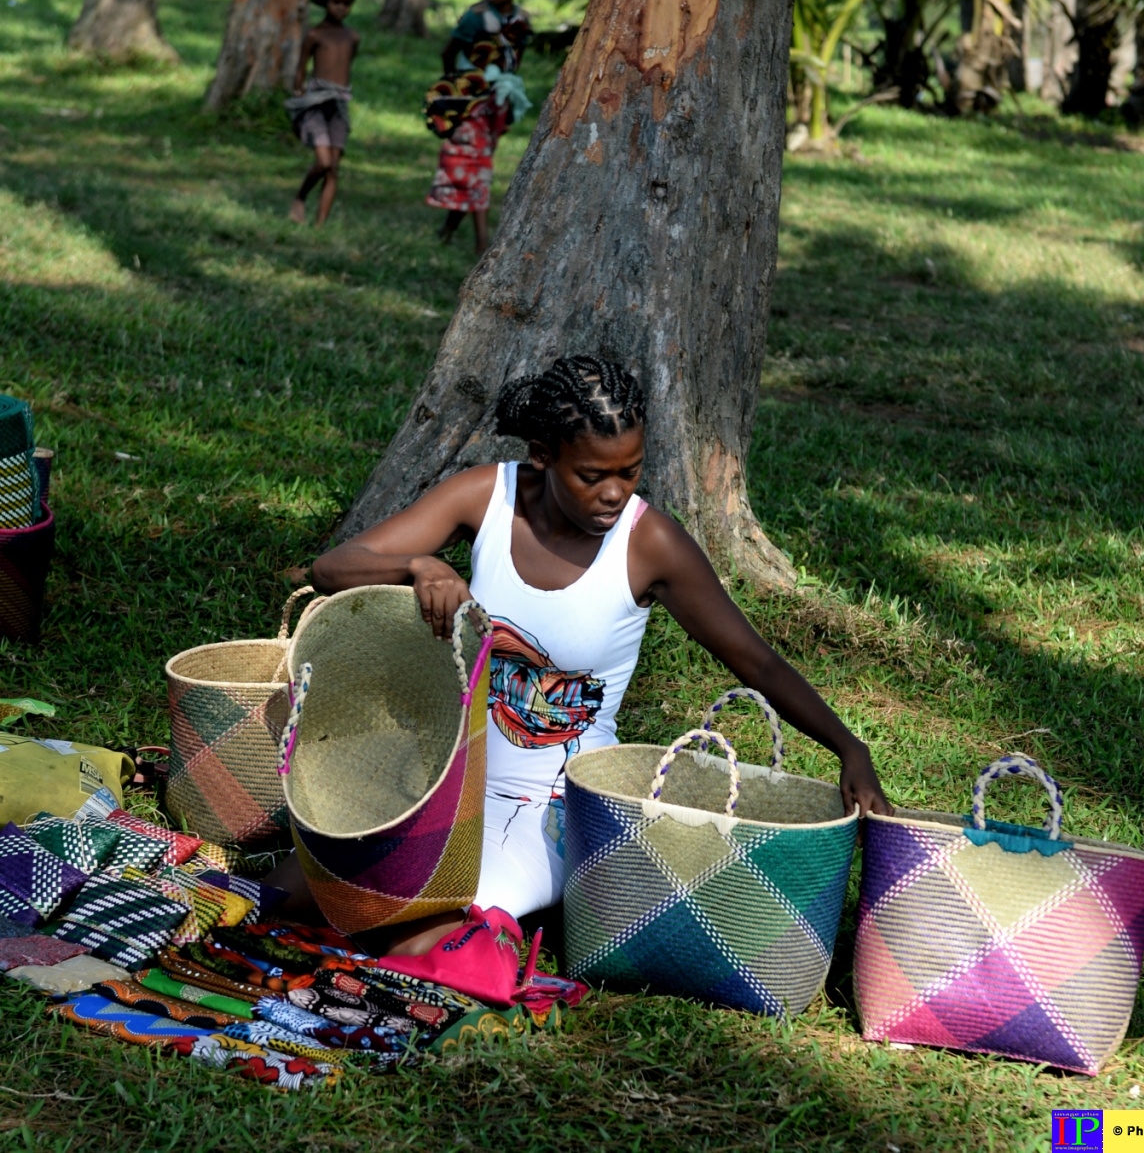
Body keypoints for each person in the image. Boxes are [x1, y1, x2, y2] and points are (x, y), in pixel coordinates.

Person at [272, 356, 890, 956]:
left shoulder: (650, 545)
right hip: (453, 781)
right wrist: (416, 565)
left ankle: (501, 920)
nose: (614, 494)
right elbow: (333, 569)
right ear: (543, 455)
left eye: (631, 471)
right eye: (592, 476)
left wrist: (849, 747)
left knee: (413, 938)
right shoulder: (489, 495)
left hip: (557, 806)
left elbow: (757, 663)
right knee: (297, 894)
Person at [424, 0, 532, 254]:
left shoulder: (520, 22)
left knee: (477, 162)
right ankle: (482, 242)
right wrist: (456, 90)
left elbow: (514, 62)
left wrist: (506, 100)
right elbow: (450, 51)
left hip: (496, 105)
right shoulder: (475, 17)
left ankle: (447, 230)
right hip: (469, 104)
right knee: (478, 164)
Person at [286, 0, 362, 227]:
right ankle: (300, 196)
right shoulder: (315, 35)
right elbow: (300, 70)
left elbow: (348, 65)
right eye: (336, 2)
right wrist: (298, 102)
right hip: (316, 102)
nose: (341, 8)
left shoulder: (352, 36)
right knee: (323, 160)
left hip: (339, 104)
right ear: (326, 3)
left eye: (347, 3)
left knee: (333, 167)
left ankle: (320, 225)